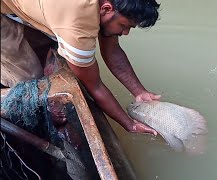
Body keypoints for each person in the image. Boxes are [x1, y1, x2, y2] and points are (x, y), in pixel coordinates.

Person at [1, 0, 161, 135]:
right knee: (31, 82)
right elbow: (95, 86)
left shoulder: (108, 6)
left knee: (47, 47)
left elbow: (111, 50)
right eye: (124, 26)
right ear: (106, 9)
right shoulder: (76, 27)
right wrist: (129, 125)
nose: (125, 33)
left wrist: (139, 92)